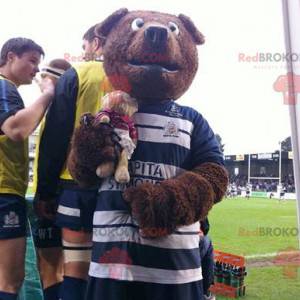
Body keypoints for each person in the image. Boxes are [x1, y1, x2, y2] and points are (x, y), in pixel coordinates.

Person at [35, 27, 111, 300]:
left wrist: (45, 191)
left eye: (85, 45)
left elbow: (55, 135)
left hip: (76, 185)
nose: (83, 51)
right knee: (113, 268)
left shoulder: (78, 73)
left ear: (96, 42)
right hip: (121, 189)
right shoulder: (133, 79)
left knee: (75, 270)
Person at [0, 37, 54, 300]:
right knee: (11, 280)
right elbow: (16, 129)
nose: (35, 69)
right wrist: (47, 94)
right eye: (31, 61)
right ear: (10, 57)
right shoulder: (4, 87)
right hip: (3, 191)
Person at [33, 58, 71, 300]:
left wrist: (45, 194)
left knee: (51, 269)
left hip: (55, 195)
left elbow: (52, 154)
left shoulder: (58, 111)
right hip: (70, 193)